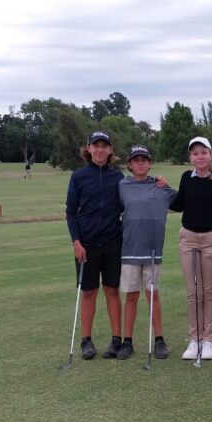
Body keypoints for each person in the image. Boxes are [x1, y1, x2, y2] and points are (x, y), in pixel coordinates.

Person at [169, 136, 212, 360]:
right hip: (187, 238)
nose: (199, 157)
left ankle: (208, 341)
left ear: (211, 154)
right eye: (195, 153)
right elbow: (178, 204)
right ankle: (194, 340)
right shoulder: (187, 177)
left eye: (203, 152)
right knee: (192, 293)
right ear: (190, 157)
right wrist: (161, 189)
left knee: (208, 292)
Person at [65, 131, 124, 360]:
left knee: (112, 290)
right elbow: (70, 212)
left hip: (112, 243)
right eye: (95, 146)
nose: (100, 150)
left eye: (104, 146)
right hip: (86, 245)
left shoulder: (117, 177)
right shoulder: (79, 176)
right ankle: (86, 340)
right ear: (88, 149)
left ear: (110, 151)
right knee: (89, 292)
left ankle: (116, 339)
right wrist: (76, 242)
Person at [117, 144, 176, 360]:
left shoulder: (161, 187)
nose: (140, 163)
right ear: (130, 164)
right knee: (131, 296)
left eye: (144, 159)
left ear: (150, 163)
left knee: (153, 295)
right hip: (130, 249)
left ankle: (159, 340)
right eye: (136, 160)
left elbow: (182, 202)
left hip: (153, 250)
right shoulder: (122, 185)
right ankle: (127, 341)